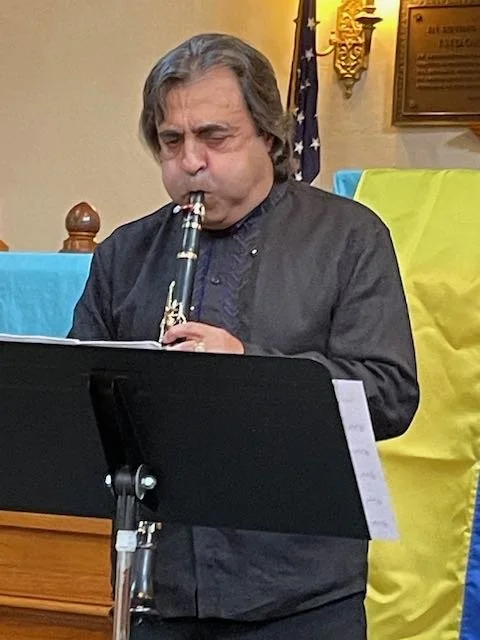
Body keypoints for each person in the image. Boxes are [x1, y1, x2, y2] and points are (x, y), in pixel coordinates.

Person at [69, 33, 419, 640]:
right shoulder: (125, 253)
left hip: (300, 596)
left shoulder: (349, 237)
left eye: (215, 136)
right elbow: (80, 403)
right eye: (172, 142)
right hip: (160, 591)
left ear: (270, 136)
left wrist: (249, 370)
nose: (191, 161)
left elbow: (390, 394)